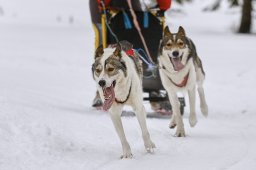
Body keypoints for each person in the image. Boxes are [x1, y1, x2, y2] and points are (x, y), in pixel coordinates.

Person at [89, 0, 172, 112]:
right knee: (103, 39)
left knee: (142, 37)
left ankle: (153, 88)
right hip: (102, 6)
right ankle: (102, 91)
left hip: (130, 4)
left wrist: (163, 4)